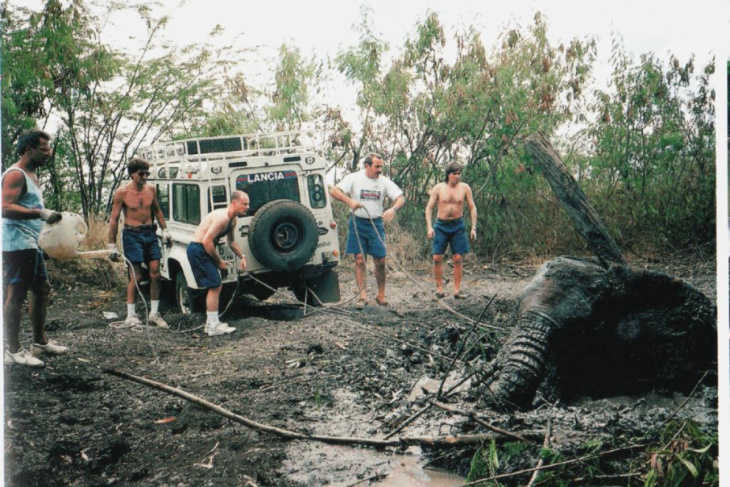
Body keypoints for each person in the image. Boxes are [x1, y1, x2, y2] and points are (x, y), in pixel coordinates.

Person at [2, 129, 67, 367]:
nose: (49, 153)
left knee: (42, 288)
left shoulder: (32, 175)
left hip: (32, 241)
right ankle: (12, 349)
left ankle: (40, 342)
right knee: (16, 293)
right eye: (44, 149)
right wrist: (40, 213)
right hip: (16, 242)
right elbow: (5, 207)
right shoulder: (15, 174)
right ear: (29, 149)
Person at [330, 153, 404, 309]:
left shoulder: (384, 182)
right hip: (357, 222)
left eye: (381, 167)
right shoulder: (354, 178)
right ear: (367, 166)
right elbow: (334, 191)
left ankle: (381, 295)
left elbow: (400, 198)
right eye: (377, 167)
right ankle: (362, 296)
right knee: (359, 259)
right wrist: (350, 201)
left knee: (381, 261)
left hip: (376, 223)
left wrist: (393, 209)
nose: (380, 170)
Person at [108, 158, 172, 328]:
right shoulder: (122, 192)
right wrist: (111, 245)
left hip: (150, 234)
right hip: (132, 234)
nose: (145, 177)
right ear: (132, 174)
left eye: (147, 173)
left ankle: (154, 314)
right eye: (141, 173)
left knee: (155, 274)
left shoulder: (151, 189)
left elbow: (157, 210)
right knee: (136, 276)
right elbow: (114, 219)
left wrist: (165, 230)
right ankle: (131, 315)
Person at [187, 190, 249, 336]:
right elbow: (206, 241)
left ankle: (211, 324)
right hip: (198, 249)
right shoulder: (222, 217)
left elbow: (231, 242)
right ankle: (213, 325)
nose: (247, 207)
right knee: (215, 285)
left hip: (205, 249)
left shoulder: (232, 220)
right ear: (234, 203)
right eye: (244, 204)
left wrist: (242, 256)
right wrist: (219, 262)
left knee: (216, 284)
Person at [425, 162, 477, 299]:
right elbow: (429, 208)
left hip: (458, 225)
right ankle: (439, 289)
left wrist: (473, 228)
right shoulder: (438, 188)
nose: (457, 176)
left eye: (459, 173)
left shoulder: (465, 188)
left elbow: (472, 207)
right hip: (441, 225)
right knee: (437, 257)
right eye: (455, 174)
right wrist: (429, 227)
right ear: (448, 174)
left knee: (458, 257)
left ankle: (457, 290)